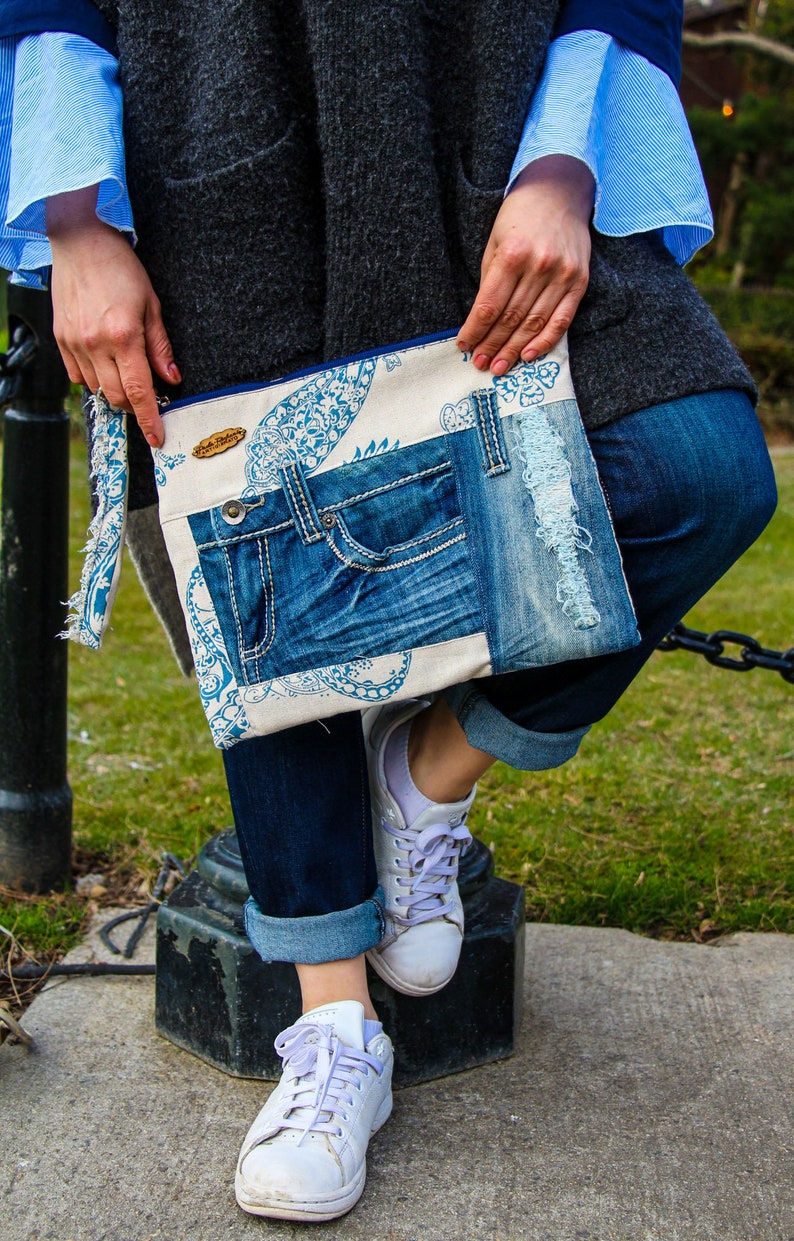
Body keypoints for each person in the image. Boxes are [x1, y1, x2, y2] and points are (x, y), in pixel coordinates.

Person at [0, 0, 777, 1223]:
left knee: (698, 468)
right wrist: (77, 219)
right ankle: (332, 1029)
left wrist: (563, 166)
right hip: (217, 95)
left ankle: (426, 774)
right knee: (260, 543)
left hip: (488, 102)